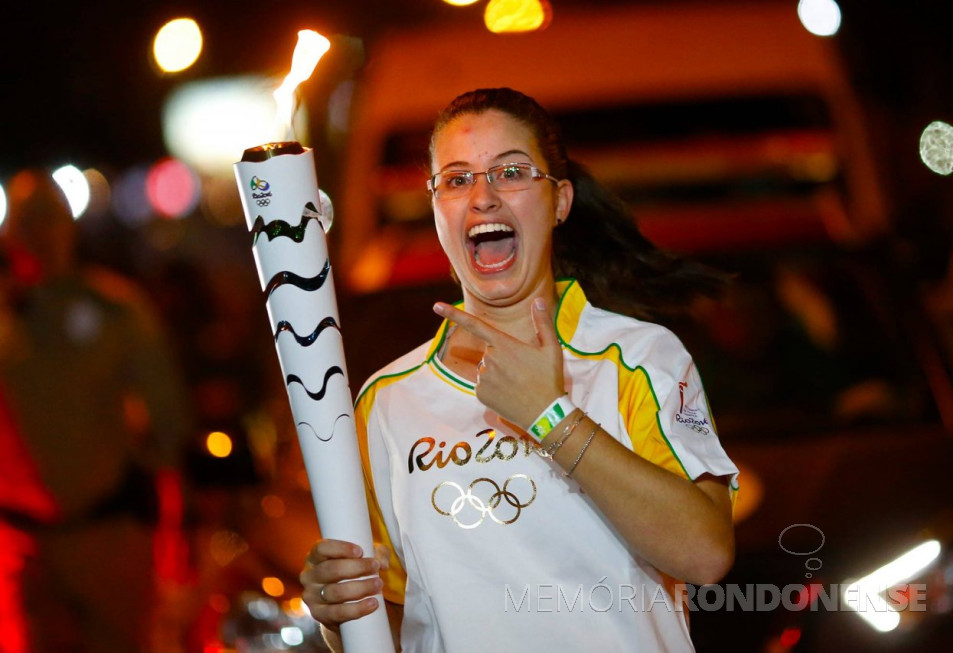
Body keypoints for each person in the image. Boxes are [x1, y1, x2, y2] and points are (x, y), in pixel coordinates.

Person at [300, 88, 739, 652]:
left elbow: (704, 553)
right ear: (436, 208)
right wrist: (339, 617)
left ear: (560, 201)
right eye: (456, 179)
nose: (482, 197)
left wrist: (550, 417)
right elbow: (401, 625)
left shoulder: (637, 358)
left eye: (510, 173)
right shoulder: (387, 402)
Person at [0, 169, 192, 652]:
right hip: (26, 545)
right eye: (28, 223)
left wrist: (149, 497)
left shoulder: (115, 312)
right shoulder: (10, 320)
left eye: (48, 221)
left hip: (105, 533)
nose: (40, 236)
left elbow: (169, 425)